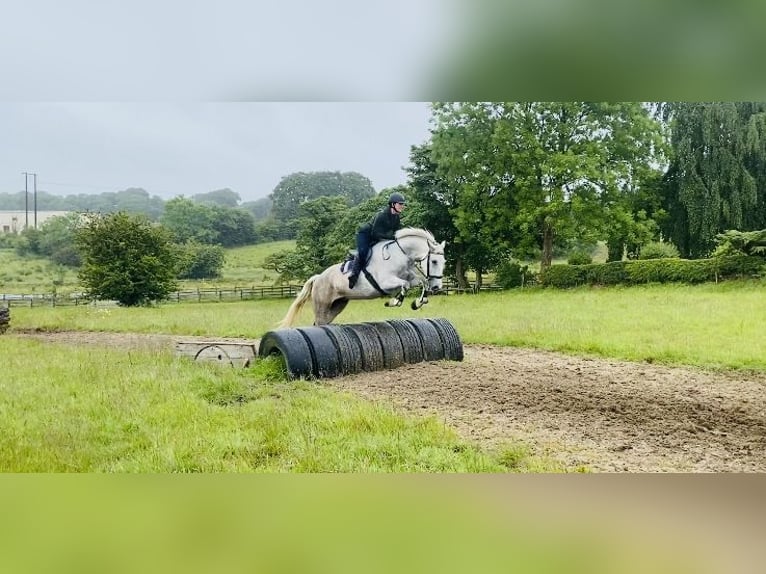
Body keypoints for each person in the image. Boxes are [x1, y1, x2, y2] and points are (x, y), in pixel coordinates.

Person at [348, 192, 406, 288]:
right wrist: (391, 238)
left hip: (378, 236)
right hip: (365, 234)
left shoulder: (396, 217)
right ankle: (353, 275)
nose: (402, 206)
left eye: (402, 204)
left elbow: (397, 233)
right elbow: (375, 233)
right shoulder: (381, 215)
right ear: (393, 204)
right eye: (400, 204)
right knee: (363, 252)